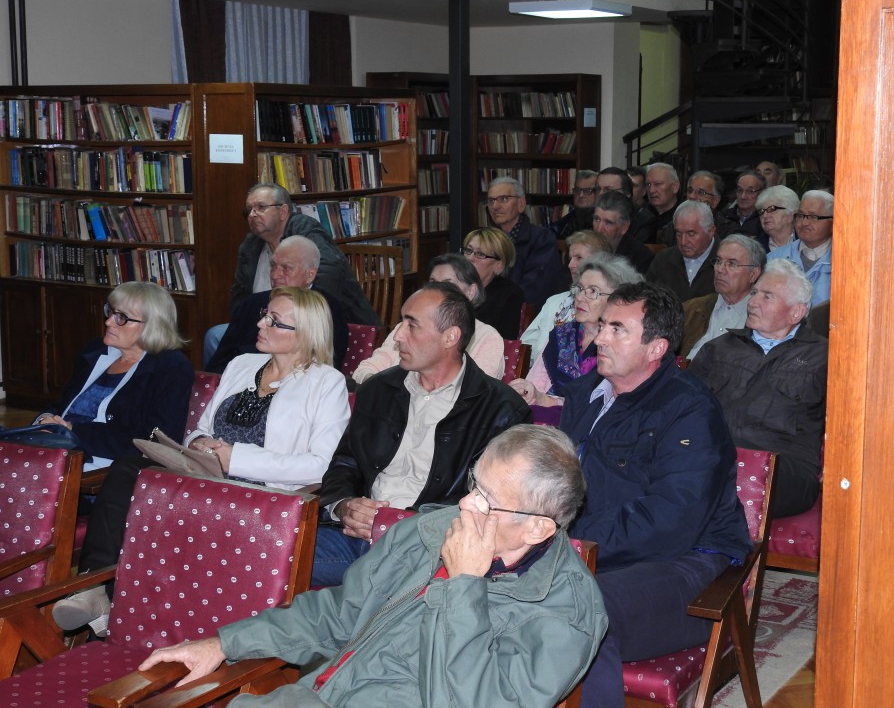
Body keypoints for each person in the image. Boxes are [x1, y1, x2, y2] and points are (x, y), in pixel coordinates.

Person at [138, 425, 608, 708]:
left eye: (488, 500)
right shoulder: (427, 532)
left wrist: (464, 585)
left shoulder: (565, 614)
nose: (466, 504)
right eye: (473, 483)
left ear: (537, 530)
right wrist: (224, 643)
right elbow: (338, 615)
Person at [51, 287, 349, 634]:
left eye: (274, 321)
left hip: (260, 496)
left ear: (306, 334)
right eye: (265, 314)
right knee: (130, 469)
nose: (260, 323)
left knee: (161, 507)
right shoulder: (242, 365)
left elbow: (319, 466)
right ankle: (93, 586)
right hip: (207, 477)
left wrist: (233, 458)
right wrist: (202, 443)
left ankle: (130, 606)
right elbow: (200, 429)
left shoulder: (326, 384)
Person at [558, 282, 751, 708]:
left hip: (691, 564)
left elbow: (670, 522)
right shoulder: (588, 395)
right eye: (603, 324)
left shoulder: (689, 410)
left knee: (581, 609)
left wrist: (572, 546)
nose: (600, 337)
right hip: (594, 550)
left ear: (655, 348)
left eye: (617, 329)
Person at [312, 282, 531, 586]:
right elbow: (344, 464)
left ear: (450, 337)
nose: (398, 335)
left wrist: (399, 523)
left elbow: (487, 499)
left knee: (356, 587)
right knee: (272, 552)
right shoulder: (378, 389)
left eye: (411, 325)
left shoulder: (502, 409)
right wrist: (344, 506)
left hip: (429, 548)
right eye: (401, 322)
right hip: (353, 536)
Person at [689, 259, 827, 517]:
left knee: (722, 478)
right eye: (754, 293)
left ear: (796, 312)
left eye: (767, 296)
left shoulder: (824, 357)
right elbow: (686, 409)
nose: (752, 302)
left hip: (785, 465)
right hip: (716, 455)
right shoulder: (718, 349)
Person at [206, 183, 380, 363]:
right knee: (216, 337)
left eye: (261, 207)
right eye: (249, 210)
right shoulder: (251, 244)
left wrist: (301, 306)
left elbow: (329, 269)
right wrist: (245, 318)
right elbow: (239, 290)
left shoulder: (305, 230)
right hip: (260, 316)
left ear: (283, 211)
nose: (252, 214)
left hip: (301, 319)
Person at [36, 281, 193, 470]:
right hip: (57, 446)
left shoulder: (170, 367)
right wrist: (44, 421)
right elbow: (62, 403)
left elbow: (155, 440)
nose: (109, 321)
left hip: (108, 464)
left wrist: (72, 431)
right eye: (111, 311)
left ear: (152, 326)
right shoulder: (97, 351)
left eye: (122, 318)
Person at [510, 253, 641, 407]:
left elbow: (609, 406)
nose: (579, 297)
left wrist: (547, 401)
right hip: (545, 419)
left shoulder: (621, 345)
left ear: (618, 300)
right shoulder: (561, 334)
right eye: (579, 288)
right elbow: (535, 383)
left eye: (593, 291)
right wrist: (527, 391)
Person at [206, 235, 352, 373]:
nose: (275, 275)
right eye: (273, 265)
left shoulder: (325, 309)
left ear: (310, 274)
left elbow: (326, 365)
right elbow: (221, 360)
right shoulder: (251, 303)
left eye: (286, 268)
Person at [352, 253, 504, 383]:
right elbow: (366, 369)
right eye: (432, 283)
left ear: (471, 292)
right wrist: (377, 387)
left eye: (447, 284)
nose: (436, 290)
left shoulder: (487, 337)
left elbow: (476, 392)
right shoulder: (405, 327)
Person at [520, 230, 611, 367]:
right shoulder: (554, 302)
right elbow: (525, 346)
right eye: (570, 258)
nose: (570, 265)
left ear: (600, 262)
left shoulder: (609, 305)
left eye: (579, 258)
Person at [682, 234, 765, 359]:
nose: (720, 269)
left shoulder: (762, 317)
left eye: (732, 264)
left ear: (753, 274)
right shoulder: (691, 309)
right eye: (718, 261)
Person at [484, 176, 561, 305]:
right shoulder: (486, 241)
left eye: (503, 199)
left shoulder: (542, 239)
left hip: (521, 314)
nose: (495, 206)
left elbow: (534, 289)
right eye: (491, 201)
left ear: (521, 204)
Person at [645, 200, 719, 304]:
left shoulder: (728, 263)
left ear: (710, 231)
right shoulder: (663, 260)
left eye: (691, 234)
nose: (683, 242)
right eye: (679, 234)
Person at [768, 189, 833, 306]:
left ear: (833, 222)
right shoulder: (773, 259)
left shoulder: (845, 264)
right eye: (801, 215)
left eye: (813, 217)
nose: (804, 223)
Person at [461, 227, 525, 340]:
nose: (470, 258)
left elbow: (504, 341)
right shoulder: (452, 285)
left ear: (498, 265)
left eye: (480, 254)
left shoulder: (510, 295)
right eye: (468, 251)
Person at [592, 190, 654, 273]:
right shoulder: (583, 247)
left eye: (608, 223)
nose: (599, 229)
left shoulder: (640, 257)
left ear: (624, 227)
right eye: (597, 219)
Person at [631, 162, 680, 243]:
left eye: (658, 184)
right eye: (648, 184)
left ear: (675, 186)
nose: (651, 190)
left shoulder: (684, 215)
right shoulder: (638, 214)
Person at [551, 169, 599, 239]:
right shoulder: (563, 224)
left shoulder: (601, 223)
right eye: (577, 190)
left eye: (588, 191)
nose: (581, 195)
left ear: (597, 193)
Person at [722, 169, 767, 239]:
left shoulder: (766, 219)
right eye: (740, 190)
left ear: (761, 193)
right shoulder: (724, 217)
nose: (743, 196)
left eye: (750, 191)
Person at [755, 185, 800, 252]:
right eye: (762, 211)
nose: (765, 215)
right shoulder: (754, 248)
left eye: (772, 209)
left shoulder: (807, 241)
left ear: (791, 215)